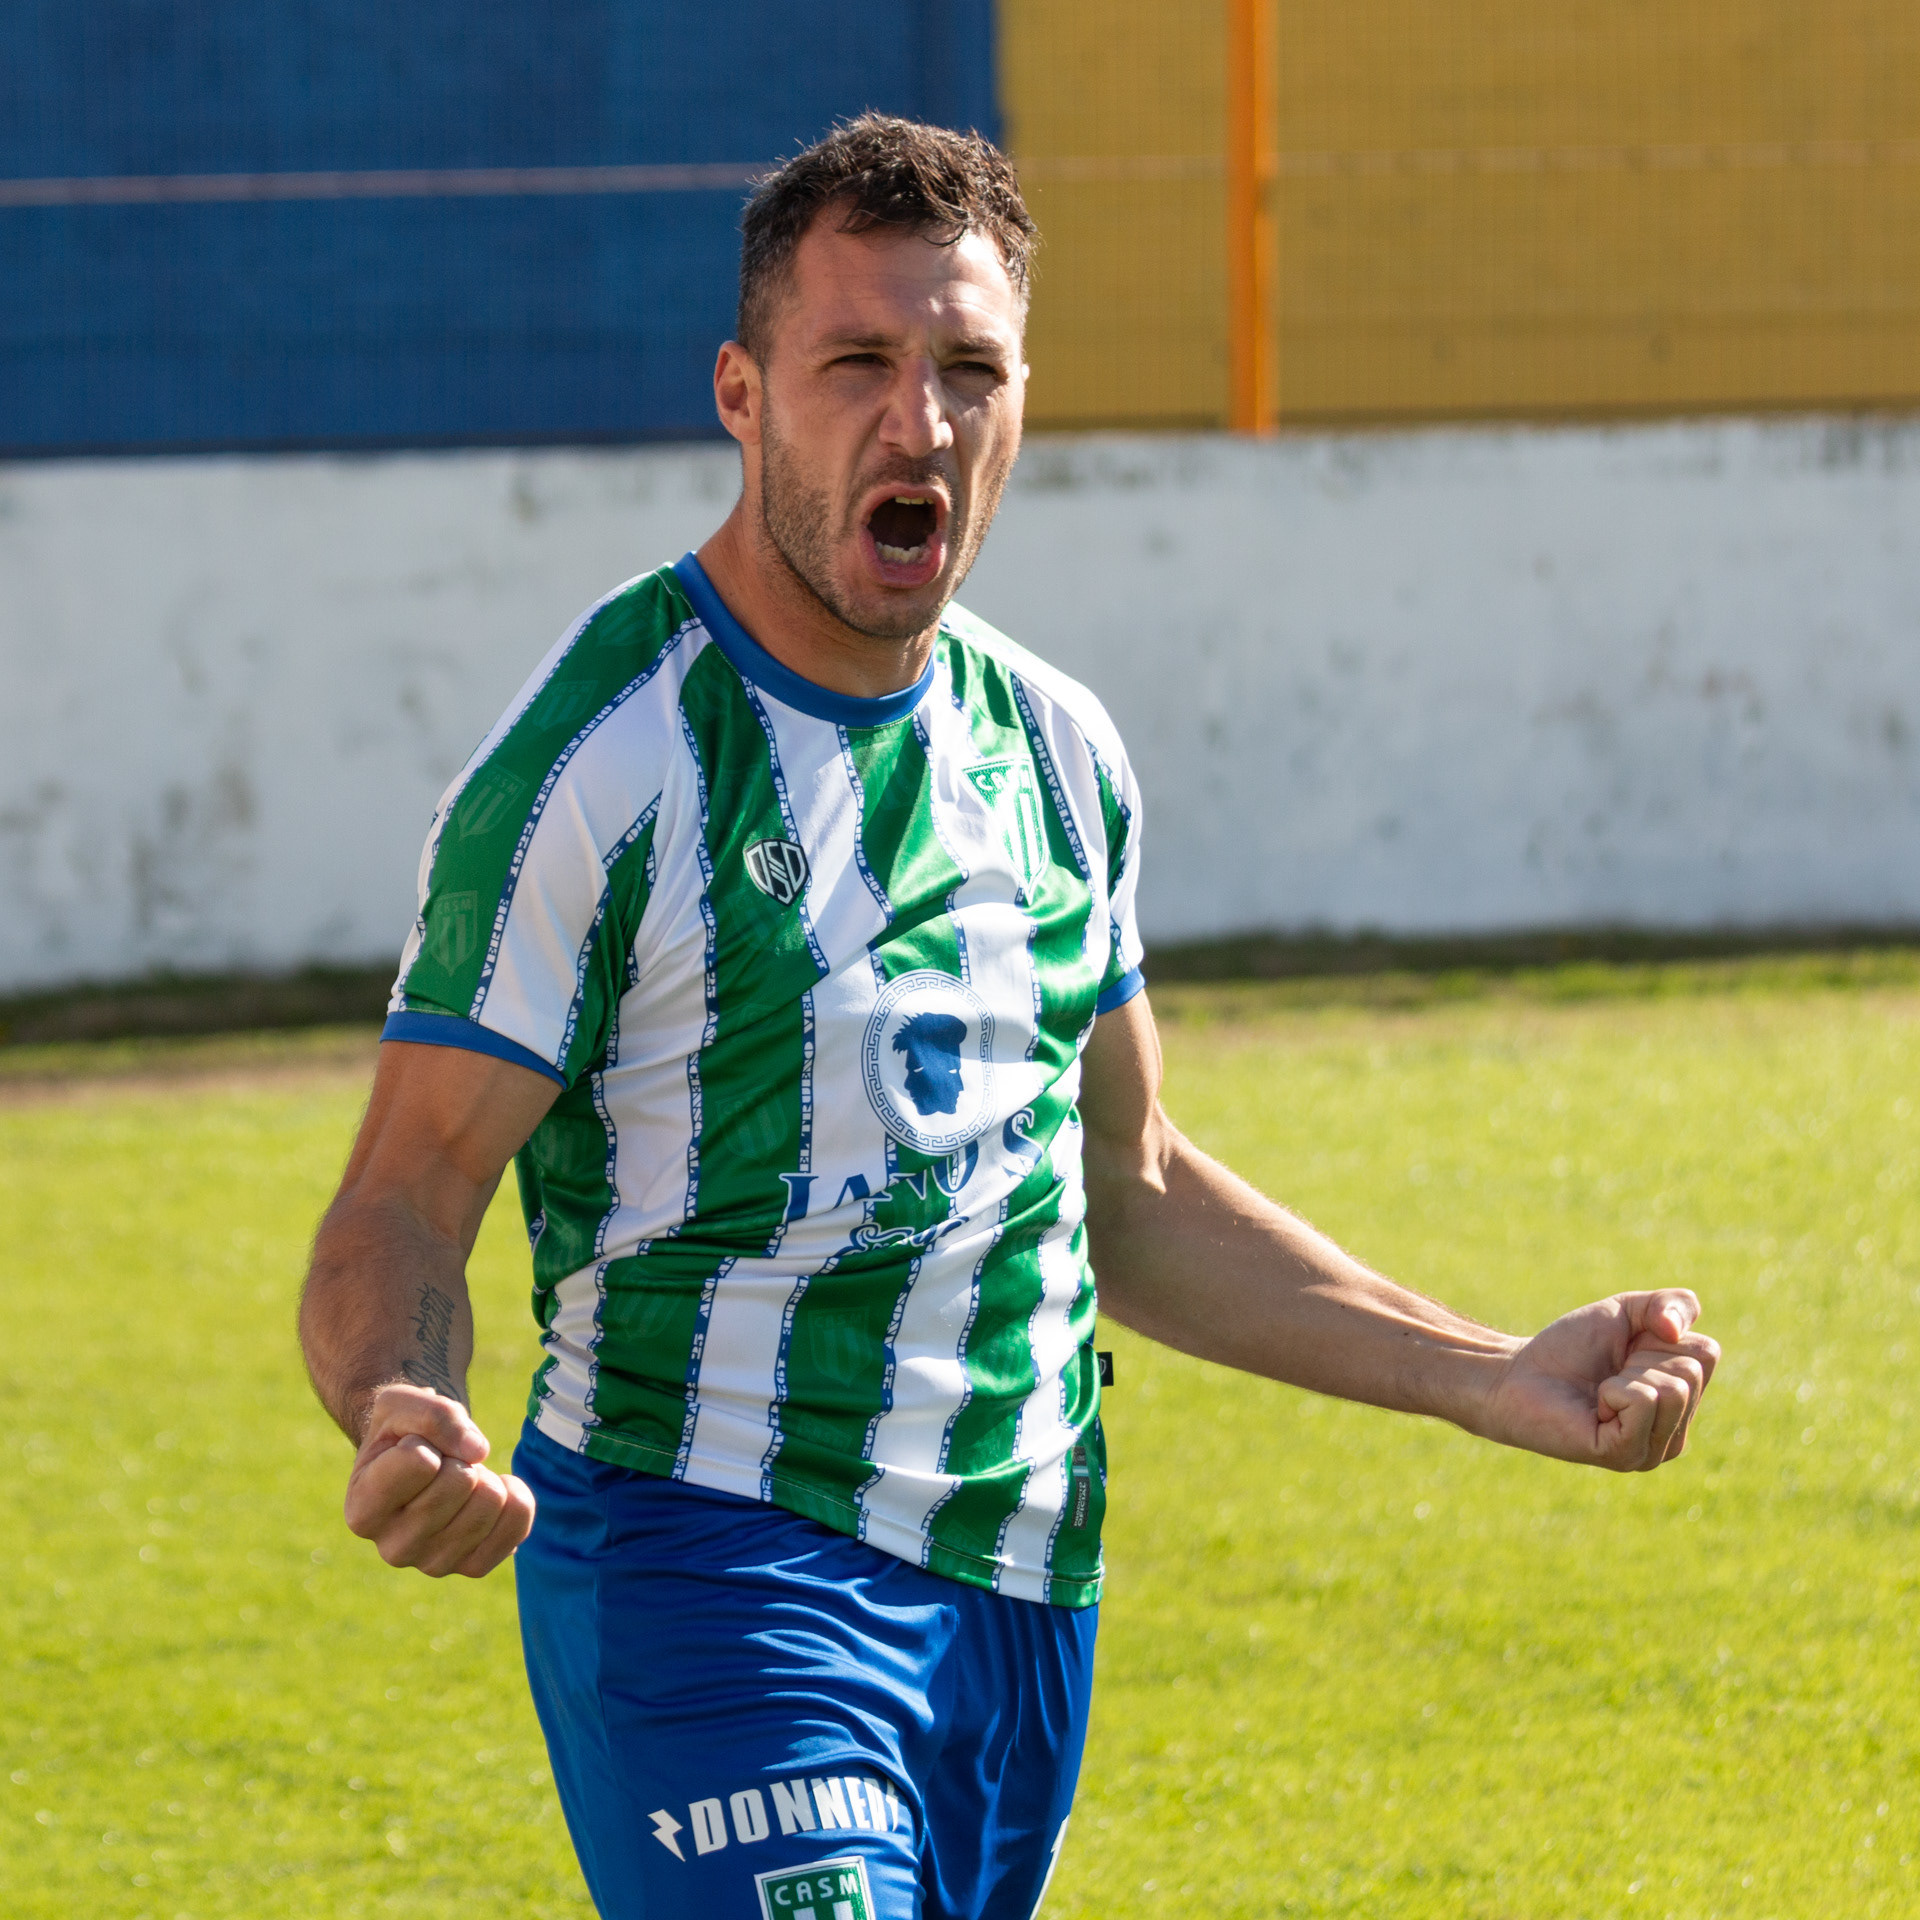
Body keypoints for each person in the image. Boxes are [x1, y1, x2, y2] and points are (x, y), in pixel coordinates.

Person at [298, 114, 1718, 1920]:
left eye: (969, 370)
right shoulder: (603, 763)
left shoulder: (1055, 755)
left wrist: (1478, 1370)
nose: (923, 423)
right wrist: (402, 1399)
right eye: (860, 365)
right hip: (714, 1565)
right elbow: (404, 1194)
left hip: (1023, 1589)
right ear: (741, 393)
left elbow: (1125, 1188)